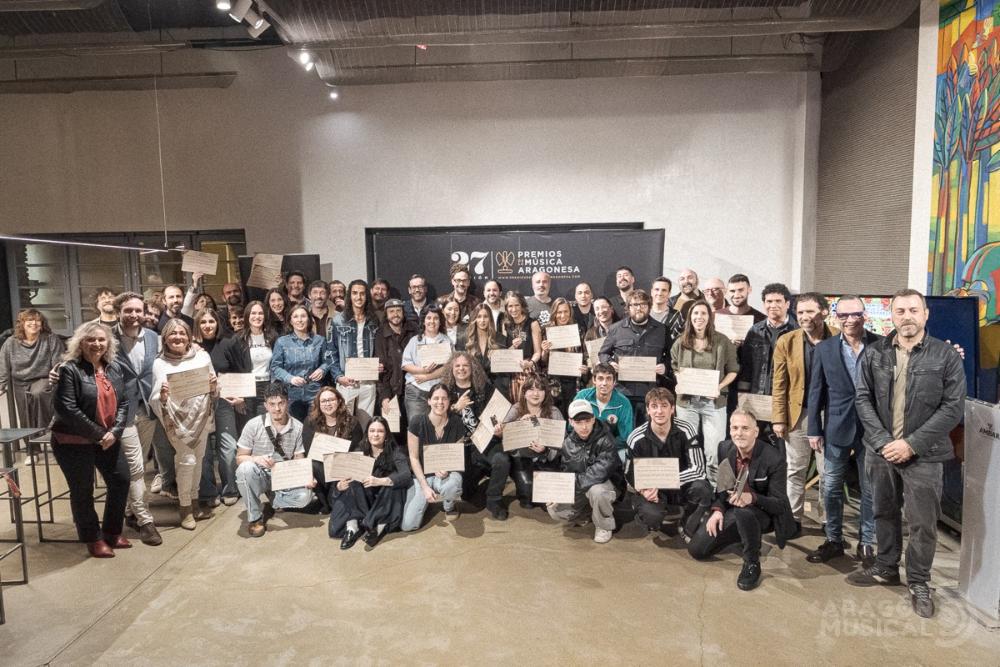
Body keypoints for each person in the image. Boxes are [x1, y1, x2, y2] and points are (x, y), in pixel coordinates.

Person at [847, 289, 965, 619]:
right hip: (880, 451)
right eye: (900, 311)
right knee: (883, 512)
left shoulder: (945, 356)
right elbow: (862, 398)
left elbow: (952, 408)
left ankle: (919, 581)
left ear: (925, 314)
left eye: (913, 310)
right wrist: (883, 440)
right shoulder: (875, 354)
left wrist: (911, 444)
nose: (907, 316)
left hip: (924, 455)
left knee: (922, 523)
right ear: (892, 316)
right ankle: (886, 566)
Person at [687, 409, 796, 591]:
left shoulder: (774, 459)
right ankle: (741, 534)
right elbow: (723, 488)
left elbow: (779, 505)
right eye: (735, 428)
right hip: (734, 508)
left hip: (762, 511)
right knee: (697, 550)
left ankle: (752, 562)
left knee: (744, 513)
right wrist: (718, 510)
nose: (739, 433)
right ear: (730, 430)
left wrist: (752, 497)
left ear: (756, 431)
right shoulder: (724, 448)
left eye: (745, 428)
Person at [806, 295, 877, 569]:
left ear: (864, 315)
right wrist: (814, 429)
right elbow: (816, 392)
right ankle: (834, 539)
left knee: (869, 488)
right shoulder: (824, 349)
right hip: (836, 426)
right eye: (844, 315)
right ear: (836, 317)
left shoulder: (881, 345)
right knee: (831, 486)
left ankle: (867, 542)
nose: (849, 320)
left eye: (855, 314)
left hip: (872, 429)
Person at [50, 321, 131, 558]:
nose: (96, 344)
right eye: (90, 339)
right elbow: (67, 408)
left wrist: (114, 432)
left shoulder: (114, 367)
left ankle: (112, 532)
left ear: (108, 343)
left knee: (121, 480)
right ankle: (93, 538)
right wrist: (100, 434)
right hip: (73, 441)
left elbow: (124, 402)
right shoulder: (69, 369)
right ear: (80, 343)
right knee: (82, 490)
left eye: (101, 339)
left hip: (107, 438)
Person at [772, 292, 835, 532]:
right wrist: (779, 418)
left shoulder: (838, 337)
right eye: (800, 312)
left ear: (824, 312)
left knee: (828, 472)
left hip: (830, 415)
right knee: (794, 470)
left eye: (810, 311)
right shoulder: (786, 341)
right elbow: (779, 384)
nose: (804, 316)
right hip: (798, 415)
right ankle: (793, 519)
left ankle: (829, 521)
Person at [150, 318, 218, 530]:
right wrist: (162, 396)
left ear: (189, 337)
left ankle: (195, 503)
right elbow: (155, 397)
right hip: (177, 421)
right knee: (186, 461)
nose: (177, 337)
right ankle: (185, 508)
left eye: (182, 333)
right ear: (165, 338)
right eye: (173, 333)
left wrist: (213, 386)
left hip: (201, 418)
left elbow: (214, 387)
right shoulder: (160, 363)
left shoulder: (202, 356)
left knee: (199, 460)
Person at [109, 293, 163, 545]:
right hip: (122, 411)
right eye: (128, 310)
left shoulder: (152, 337)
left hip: (148, 408)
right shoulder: (106, 336)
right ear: (118, 312)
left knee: (141, 461)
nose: (134, 315)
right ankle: (145, 520)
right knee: (136, 467)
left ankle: (130, 512)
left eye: (138, 310)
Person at [626, 387, 712, 537]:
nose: (659, 411)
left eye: (664, 406)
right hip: (652, 489)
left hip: (681, 485)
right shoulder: (636, 437)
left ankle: (687, 523)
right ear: (648, 410)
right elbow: (629, 474)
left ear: (672, 409)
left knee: (703, 489)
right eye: (654, 406)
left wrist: (664, 481)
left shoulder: (687, 429)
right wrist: (643, 490)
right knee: (651, 516)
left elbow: (699, 470)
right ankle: (648, 517)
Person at [234, 382, 317, 537]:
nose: (277, 409)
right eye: (272, 404)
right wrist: (256, 459)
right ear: (265, 405)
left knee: (306, 497)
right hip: (259, 474)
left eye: (281, 403)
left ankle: (274, 499)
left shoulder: (298, 427)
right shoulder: (253, 425)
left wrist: (306, 477)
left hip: (283, 477)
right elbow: (239, 458)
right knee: (245, 469)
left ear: (288, 402)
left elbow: (299, 459)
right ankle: (255, 516)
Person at [671, 301, 739, 484]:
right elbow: (675, 368)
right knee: (688, 447)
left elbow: (733, 370)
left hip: (713, 403)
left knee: (714, 451)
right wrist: (680, 381)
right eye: (695, 313)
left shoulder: (722, 341)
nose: (699, 317)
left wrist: (719, 387)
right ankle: (691, 488)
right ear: (690, 317)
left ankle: (716, 490)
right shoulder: (680, 342)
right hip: (687, 403)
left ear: (710, 317)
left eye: (703, 313)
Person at [442, 352, 509, 520]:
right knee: (466, 494)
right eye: (457, 366)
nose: (461, 369)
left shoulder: (484, 388)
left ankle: (494, 500)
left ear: (472, 368)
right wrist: (455, 408)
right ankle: (482, 477)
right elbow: (437, 420)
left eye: (465, 365)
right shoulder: (445, 392)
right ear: (451, 369)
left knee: (501, 460)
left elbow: (497, 414)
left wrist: (499, 428)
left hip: (485, 442)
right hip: (461, 447)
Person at [328, 416, 413, 550]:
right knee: (336, 527)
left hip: (384, 499)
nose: (375, 434)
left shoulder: (395, 451)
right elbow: (342, 477)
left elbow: (406, 474)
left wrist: (381, 481)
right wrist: (339, 486)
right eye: (372, 430)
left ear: (386, 435)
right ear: (367, 433)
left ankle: (378, 526)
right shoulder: (359, 450)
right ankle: (353, 527)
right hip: (363, 499)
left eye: (380, 431)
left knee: (394, 484)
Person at [545, 399, 621, 544]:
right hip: (581, 485)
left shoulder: (606, 439)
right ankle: (585, 514)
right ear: (571, 422)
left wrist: (570, 486)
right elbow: (567, 472)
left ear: (593, 419)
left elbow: (599, 474)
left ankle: (604, 525)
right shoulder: (568, 443)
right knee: (555, 510)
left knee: (597, 491)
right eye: (578, 422)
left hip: (606, 485)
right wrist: (559, 491)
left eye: (587, 421)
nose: (584, 426)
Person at [191, 308, 240, 510]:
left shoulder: (227, 343)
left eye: (211, 321)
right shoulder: (190, 347)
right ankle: (208, 491)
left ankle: (230, 489)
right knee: (203, 451)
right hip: (199, 403)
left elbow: (239, 370)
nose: (207, 325)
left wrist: (239, 395)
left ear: (217, 323)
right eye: (203, 322)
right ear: (197, 325)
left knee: (228, 447)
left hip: (224, 401)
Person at [401, 385, 466, 530]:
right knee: (408, 525)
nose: (440, 402)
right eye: (436, 398)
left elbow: (456, 455)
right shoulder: (417, 422)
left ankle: (449, 505)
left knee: (452, 485)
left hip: (445, 474)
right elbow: (413, 458)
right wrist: (424, 487)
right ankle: (425, 499)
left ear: (449, 401)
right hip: (421, 475)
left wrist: (447, 469)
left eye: (444, 398)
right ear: (429, 401)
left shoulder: (457, 422)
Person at [736, 283, 797, 435]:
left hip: (784, 401)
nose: (773, 305)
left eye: (778, 301)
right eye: (769, 301)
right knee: (755, 442)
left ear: (787, 304)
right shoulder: (755, 330)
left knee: (782, 444)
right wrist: (742, 399)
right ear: (764, 304)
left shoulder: (797, 331)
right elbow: (746, 367)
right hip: (757, 398)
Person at [599, 289, 668, 423]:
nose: (639, 308)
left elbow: (671, 356)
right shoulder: (616, 329)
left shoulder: (662, 330)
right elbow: (603, 353)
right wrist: (610, 363)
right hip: (621, 392)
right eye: (635, 304)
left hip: (649, 393)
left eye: (643, 304)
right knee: (620, 429)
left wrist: (665, 367)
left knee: (645, 431)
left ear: (649, 307)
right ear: (628, 308)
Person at [502, 373, 564, 507]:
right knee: (527, 499)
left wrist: (546, 451)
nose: (536, 394)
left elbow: (562, 442)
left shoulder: (554, 412)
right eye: (531, 389)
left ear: (545, 393)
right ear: (524, 393)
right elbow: (506, 435)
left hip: (546, 461)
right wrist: (519, 425)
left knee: (548, 504)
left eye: (540, 389)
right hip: (523, 459)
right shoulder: (516, 408)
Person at [0, 309, 64, 429]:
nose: (34, 323)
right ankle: (31, 441)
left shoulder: (51, 339)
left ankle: (44, 433)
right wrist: (1, 385)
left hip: (44, 379)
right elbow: (3, 365)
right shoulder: (10, 342)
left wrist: (56, 374)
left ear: (42, 324)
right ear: (22, 324)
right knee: (25, 416)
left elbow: (59, 363)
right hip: (20, 382)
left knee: (38, 394)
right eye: (30, 320)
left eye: (38, 320)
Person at [270, 304, 333, 421]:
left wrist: (322, 369)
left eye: (303, 316)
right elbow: (275, 367)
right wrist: (290, 378)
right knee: (294, 427)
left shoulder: (320, 340)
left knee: (315, 427)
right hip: (291, 394)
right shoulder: (282, 342)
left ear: (309, 319)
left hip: (314, 393)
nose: (300, 320)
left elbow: (328, 361)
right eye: (296, 317)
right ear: (290, 321)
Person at [303, 386, 364, 506]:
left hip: (343, 467)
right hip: (320, 466)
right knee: (314, 465)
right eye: (323, 401)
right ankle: (325, 502)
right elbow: (309, 450)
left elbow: (358, 449)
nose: (327, 404)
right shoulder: (310, 422)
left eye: (331, 400)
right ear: (318, 404)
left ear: (339, 401)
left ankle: (336, 501)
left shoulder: (352, 422)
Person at [329, 280, 379, 418]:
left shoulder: (374, 321)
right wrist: (338, 376)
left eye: (362, 293)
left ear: (367, 296)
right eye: (355, 293)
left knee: (366, 422)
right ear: (349, 296)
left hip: (368, 381)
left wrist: (379, 365)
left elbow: (379, 348)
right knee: (344, 423)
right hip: (347, 381)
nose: (359, 297)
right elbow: (330, 352)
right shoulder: (338, 321)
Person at [220, 300, 276, 418]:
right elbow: (232, 369)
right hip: (247, 389)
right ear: (247, 316)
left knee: (267, 423)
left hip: (268, 386)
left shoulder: (272, 337)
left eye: (260, 313)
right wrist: (238, 395)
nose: (257, 316)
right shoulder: (237, 340)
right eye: (253, 313)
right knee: (249, 424)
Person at [573, 363, 634, 460]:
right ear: (594, 380)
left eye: (608, 379)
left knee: (623, 455)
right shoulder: (582, 397)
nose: (604, 383)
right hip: (584, 445)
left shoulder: (624, 403)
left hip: (611, 447)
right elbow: (572, 428)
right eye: (600, 378)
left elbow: (625, 437)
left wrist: (603, 446)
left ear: (614, 382)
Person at [400, 305, 452, 420]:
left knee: (437, 425)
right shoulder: (414, 340)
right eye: (428, 318)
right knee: (416, 425)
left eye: (436, 318)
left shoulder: (446, 341)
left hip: (439, 392)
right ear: (423, 321)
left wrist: (427, 376)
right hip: (416, 390)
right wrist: (423, 370)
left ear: (440, 321)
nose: (432, 321)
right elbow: (405, 365)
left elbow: (448, 368)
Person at [540, 297, 587, 417]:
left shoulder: (578, 330)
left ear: (570, 312)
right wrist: (545, 351)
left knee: (573, 414)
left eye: (566, 311)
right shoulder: (546, 330)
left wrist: (585, 368)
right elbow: (543, 362)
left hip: (574, 381)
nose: (563, 315)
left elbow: (585, 356)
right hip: (554, 382)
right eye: (559, 312)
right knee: (556, 415)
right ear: (554, 313)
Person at [375, 298, 418, 422]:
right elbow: (380, 369)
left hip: (414, 389)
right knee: (393, 430)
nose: (395, 314)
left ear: (403, 312)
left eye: (398, 310)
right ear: (386, 314)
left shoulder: (414, 330)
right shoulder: (380, 335)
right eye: (391, 311)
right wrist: (384, 396)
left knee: (414, 426)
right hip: (391, 391)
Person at [498, 291, 543, 401]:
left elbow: (538, 352)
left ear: (522, 305)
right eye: (510, 306)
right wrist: (513, 347)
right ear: (506, 308)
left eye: (517, 305)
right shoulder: (505, 324)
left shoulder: (532, 323)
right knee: (514, 403)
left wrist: (530, 363)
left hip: (529, 370)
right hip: (511, 372)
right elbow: (503, 353)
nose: (514, 309)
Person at [464, 303, 501, 375]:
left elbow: (503, 370)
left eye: (486, 316)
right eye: (479, 317)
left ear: (490, 319)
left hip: (494, 380)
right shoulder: (465, 338)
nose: (482, 320)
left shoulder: (500, 338)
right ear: (474, 319)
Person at [649, 276, 683, 349]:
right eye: (657, 289)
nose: (660, 293)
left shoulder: (677, 316)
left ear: (669, 293)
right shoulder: (643, 314)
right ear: (652, 292)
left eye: (664, 290)